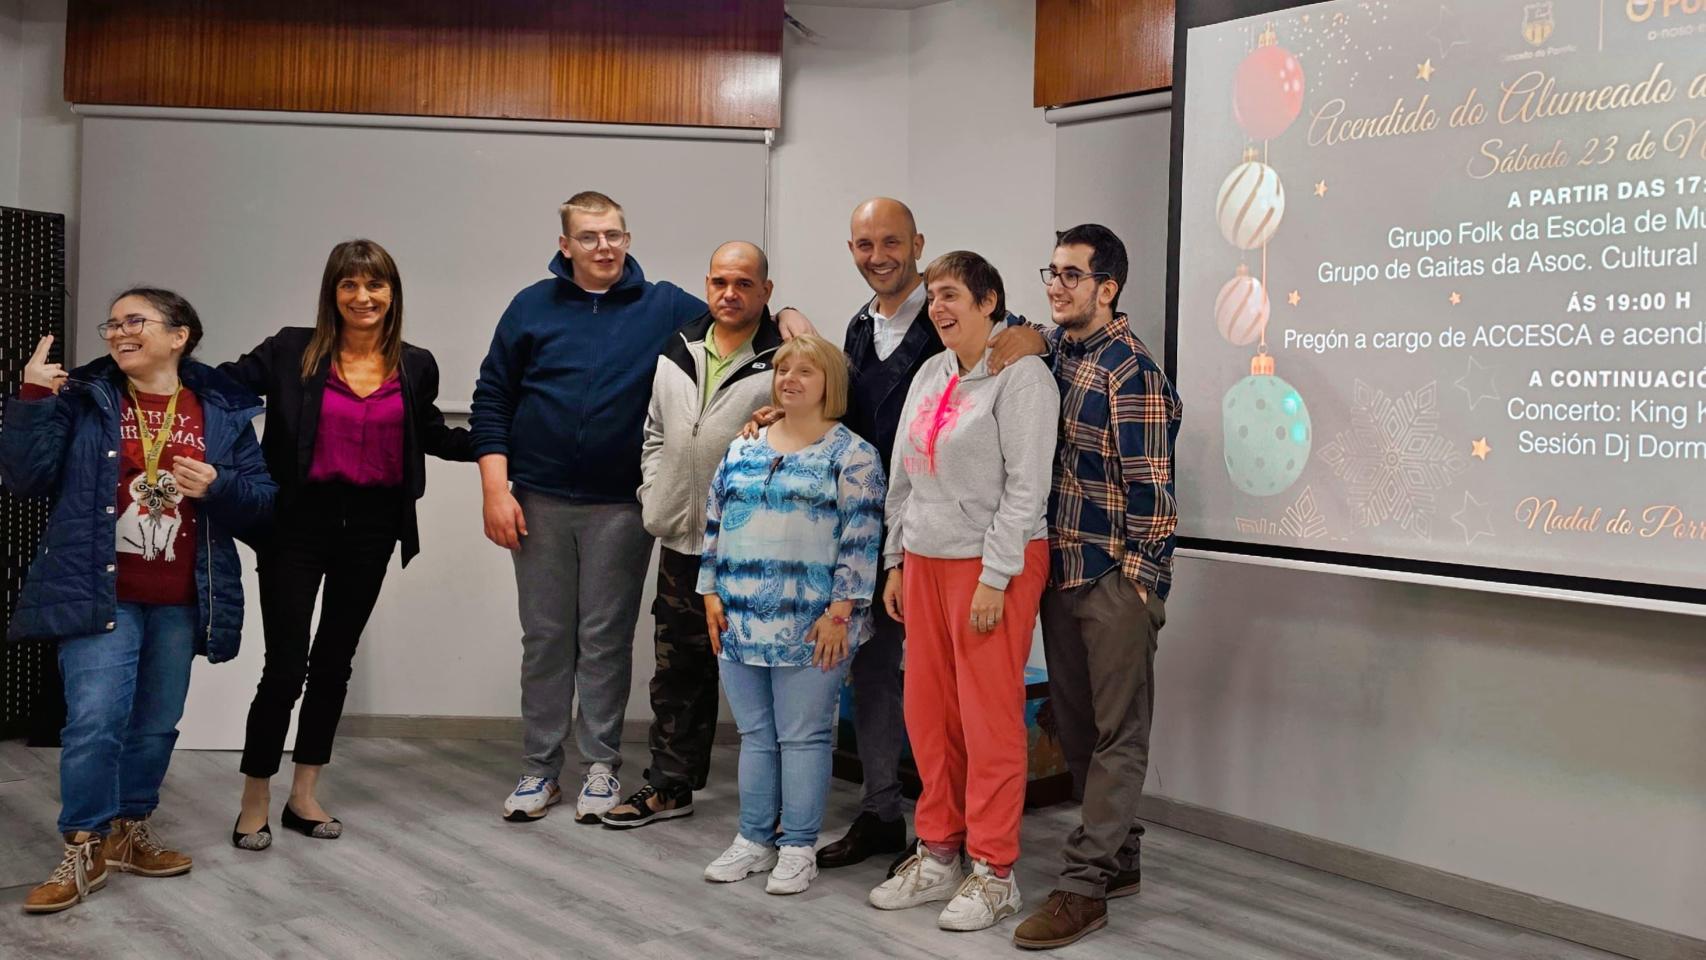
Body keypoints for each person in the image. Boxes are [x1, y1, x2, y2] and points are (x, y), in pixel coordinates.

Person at [471, 193, 811, 824]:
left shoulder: (665, 308)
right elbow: (492, 394)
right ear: (565, 245)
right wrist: (496, 486)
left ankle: (601, 766)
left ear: (628, 238)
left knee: (603, 639)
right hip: (537, 501)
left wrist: (789, 311)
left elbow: (740, 313)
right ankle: (539, 770)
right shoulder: (530, 307)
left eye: (614, 235)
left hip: (620, 508)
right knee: (546, 638)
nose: (604, 246)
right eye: (590, 236)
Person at [756, 198, 1047, 874]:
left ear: (916, 242)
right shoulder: (873, 336)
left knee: (978, 714)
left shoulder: (1001, 353)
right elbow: (859, 426)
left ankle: (983, 856)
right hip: (894, 542)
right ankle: (895, 819)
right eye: (863, 244)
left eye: (891, 242)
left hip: (979, 555)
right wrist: (789, 412)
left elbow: (1019, 347)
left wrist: (1031, 333)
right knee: (893, 688)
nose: (877, 255)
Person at [2, 290, 275, 914]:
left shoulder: (222, 411)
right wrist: (33, 398)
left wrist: (220, 484)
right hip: (103, 590)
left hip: (182, 596)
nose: (119, 332)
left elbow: (263, 502)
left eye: (135, 321)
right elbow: (25, 478)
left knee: (155, 724)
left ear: (179, 336)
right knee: (96, 719)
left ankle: (128, 831)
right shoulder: (84, 398)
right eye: (113, 323)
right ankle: (83, 844)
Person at [222, 239, 474, 848]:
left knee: (334, 664)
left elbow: (434, 434)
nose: (363, 297)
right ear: (332, 292)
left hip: (372, 529)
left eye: (376, 285)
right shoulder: (290, 350)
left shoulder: (415, 363)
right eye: (350, 285)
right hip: (295, 526)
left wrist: (513, 436)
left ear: (392, 293)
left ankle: (304, 795)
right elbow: (218, 392)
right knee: (285, 666)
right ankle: (255, 795)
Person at [866, 252, 1058, 932]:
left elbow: (1027, 491)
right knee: (929, 716)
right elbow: (904, 476)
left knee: (989, 721)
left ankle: (995, 871)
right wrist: (895, 561)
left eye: (952, 295)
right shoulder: (930, 371)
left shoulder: (1023, 379)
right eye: (934, 297)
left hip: (992, 565)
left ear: (989, 302)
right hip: (924, 559)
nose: (940, 308)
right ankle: (939, 851)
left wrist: (995, 577)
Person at [1013, 225, 1181, 949]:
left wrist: (1141, 585)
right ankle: (1122, 856)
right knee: (1075, 727)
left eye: (1071, 275)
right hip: (1061, 572)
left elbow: (1154, 488)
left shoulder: (1129, 369)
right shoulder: (1055, 352)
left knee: (1118, 736)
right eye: (1050, 271)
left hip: (1112, 579)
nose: (1055, 285)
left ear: (1107, 288)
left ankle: (1084, 888)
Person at [600, 241, 790, 828]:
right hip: (685, 541)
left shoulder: (784, 355)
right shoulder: (678, 346)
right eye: (719, 282)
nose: (729, 293)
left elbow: (807, 430)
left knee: (768, 671)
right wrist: (654, 493)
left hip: (754, 548)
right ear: (707, 284)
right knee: (677, 667)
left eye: (744, 283)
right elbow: (655, 432)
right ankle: (670, 785)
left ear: (766, 291)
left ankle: (784, 801)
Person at [697, 334, 884, 895]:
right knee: (755, 734)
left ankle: (798, 845)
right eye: (783, 369)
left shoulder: (853, 455)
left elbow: (862, 538)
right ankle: (754, 839)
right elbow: (714, 519)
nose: (791, 378)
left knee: (803, 737)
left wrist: (840, 612)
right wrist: (709, 591)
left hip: (813, 624)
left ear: (832, 384)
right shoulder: (744, 446)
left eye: (806, 370)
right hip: (738, 616)